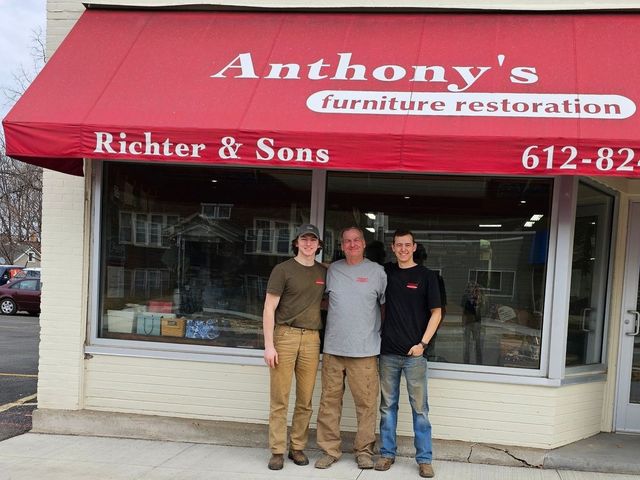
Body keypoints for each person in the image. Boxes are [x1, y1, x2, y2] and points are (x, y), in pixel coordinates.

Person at [314, 226, 387, 470]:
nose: (352, 244)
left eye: (356, 240)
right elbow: (320, 300)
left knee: (366, 404)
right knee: (329, 402)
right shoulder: (333, 270)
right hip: (334, 349)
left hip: (365, 351)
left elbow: (385, 307)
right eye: (347, 241)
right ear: (341, 245)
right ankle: (329, 450)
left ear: (364, 243)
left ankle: (364, 451)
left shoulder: (378, 272)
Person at [375, 230, 442, 478]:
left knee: (420, 409)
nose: (403, 249)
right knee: (387, 407)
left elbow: (437, 312)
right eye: (398, 245)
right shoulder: (386, 273)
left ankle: (424, 459)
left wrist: (422, 344)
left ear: (414, 247)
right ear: (393, 248)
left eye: (407, 245)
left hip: (415, 355)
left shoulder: (426, 276)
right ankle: (387, 454)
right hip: (388, 353)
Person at [262, 224, 327, 470]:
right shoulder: (283, 270)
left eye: (313, 240)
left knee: (305, 398)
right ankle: (277, 450)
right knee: (280, 397)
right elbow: (269, 308)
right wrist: (269, 345)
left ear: (319, 244)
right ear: (297, 243)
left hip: (311, 339)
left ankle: (296, 447)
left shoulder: (323, 271)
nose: (309, 244)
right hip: (285, 336)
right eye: (304, 239)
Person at [413, 243, 447, 361]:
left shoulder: (433, 278)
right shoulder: (398, 276)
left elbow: (441, 309)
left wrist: (434, 329)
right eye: (416, 256)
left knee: (426, 360)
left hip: (428, 328)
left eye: (419, 256)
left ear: (424, 258)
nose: (417, 259)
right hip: (405, 332)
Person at [461, 281, 484, 364]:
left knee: (478, 344)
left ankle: (479, 363)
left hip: (476, 322)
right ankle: (466, 363)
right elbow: (463, 310)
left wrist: (478, 297)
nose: (472, 289)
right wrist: (463, 322)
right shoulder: (465, 297)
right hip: (467, 322)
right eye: (470, 287)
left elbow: (482, 307)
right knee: (466, 344)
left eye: (474, 287)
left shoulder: (479, 296)